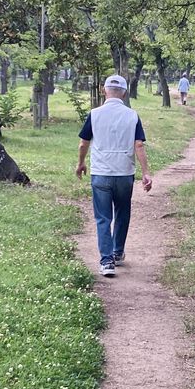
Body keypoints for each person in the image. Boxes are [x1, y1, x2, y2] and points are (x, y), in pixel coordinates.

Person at [76, 74, 153, 277]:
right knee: (122, 213)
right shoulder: (132, 115)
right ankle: (117, 253)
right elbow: (139, 145)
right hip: (124, 173)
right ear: (125, 92)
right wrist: (146, 173)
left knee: (103, 217)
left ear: (104, 90)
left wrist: (81, 163)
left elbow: (84, 142)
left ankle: (106, 261)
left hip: (101, 173)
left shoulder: (94, 114)